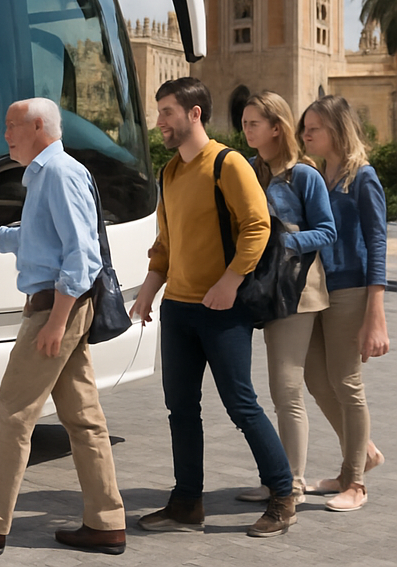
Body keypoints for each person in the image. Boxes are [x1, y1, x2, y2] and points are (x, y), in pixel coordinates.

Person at [0, 97, 127, 557]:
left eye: (11, 125)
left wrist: (56, 321)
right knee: (84, 420)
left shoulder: (58, 173)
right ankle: (106, 524)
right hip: (61, 309)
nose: (5, 135)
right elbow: (42, 239)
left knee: (13, 414)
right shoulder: (46, 173)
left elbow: (81, 257)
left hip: (54, 309)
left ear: (38, 126)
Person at [131, 77, 296, 538]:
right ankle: (186, 503)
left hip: (224, 308)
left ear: (194, 113)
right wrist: (148, 290)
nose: (159, 121)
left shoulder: (228, 163)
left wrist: (230, 281)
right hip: (178, 309)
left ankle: (283, 496)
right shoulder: (169, 172)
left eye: (167, 111)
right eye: (159, 112)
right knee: (180, 409)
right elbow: (165, 243)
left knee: (241, 404)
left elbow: (257, 226)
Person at [235, 91, 336, 504]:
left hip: (297, 291)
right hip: (263, 290)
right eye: (244, 123)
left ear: (277, 127)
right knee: (292, 387)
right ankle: (284, 476)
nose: (246, 129)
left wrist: (282, 242)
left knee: (286, 388)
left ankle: (290, 483)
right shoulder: (250, 171)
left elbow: (327, 231)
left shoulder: (304, 175)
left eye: (254, 123)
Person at [297, 95, 388, 512]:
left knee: (347, 382)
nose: (305, 134)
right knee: (318, 380)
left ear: (336, 129)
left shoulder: (362, 177)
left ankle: (355, 483)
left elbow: (377, 243)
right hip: (318, 290)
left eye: (313, 128)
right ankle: (362, 454)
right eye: (304, 128)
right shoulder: (317, 175)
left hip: (351, 290)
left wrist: (375, 313)